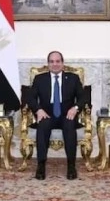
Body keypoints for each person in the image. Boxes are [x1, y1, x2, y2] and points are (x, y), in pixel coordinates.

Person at [26, 51, 87, 180]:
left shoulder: (73, 78)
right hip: (47, 114)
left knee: (69, 125)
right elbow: (30, 98)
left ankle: (71, 165)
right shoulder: (39, 79)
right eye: (52, 61)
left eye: (58, 61)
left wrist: (75, 108)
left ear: (62, 63)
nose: (55, 64)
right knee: (42, 125)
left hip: (66, 115)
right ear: (48, 64)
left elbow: (83, 97)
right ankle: (41, 165)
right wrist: (38, 110)